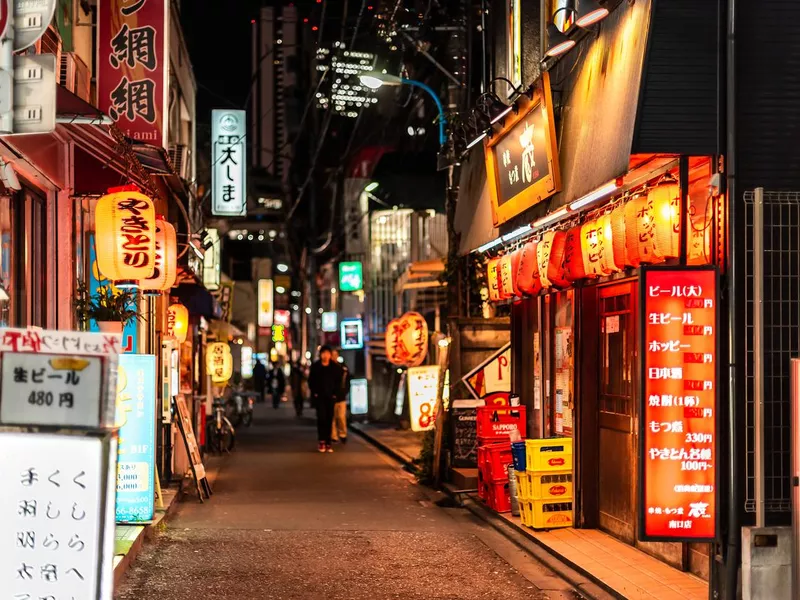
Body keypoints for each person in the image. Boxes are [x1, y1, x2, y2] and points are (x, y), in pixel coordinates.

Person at [309, 345, 342, 453]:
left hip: (330, 397)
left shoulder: (335, 367)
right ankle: (321, 441)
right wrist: (315, 393)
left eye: (327, 353)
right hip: (320, 397)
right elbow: (311, 381)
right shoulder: (316, 367)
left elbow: (338, 382)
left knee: (329, 418)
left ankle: (328, 442)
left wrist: (335, 394)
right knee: (321, 418)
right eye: (324, 353)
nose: (325, 356)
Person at [330, 348, 350, 444]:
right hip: (330, 397)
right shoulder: (328, 367)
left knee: (341, 417)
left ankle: (343, 434)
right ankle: (333, 436)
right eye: (332, 354)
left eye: (335, 354)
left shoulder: (343, 368)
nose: (334, 356)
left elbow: (347, 381)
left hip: (341, 397)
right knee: (332, 418)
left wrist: (345, 391)